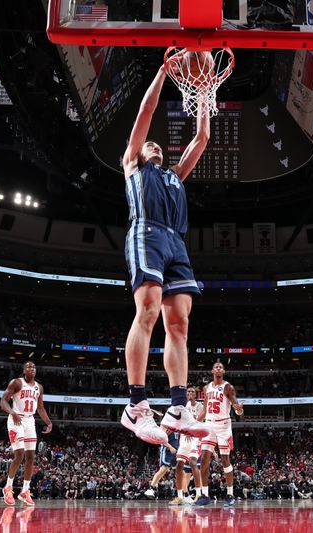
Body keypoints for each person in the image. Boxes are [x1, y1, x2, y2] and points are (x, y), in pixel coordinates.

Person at [118, 60, 212, 445]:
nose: (153, 144)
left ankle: (176, 407)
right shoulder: (133, 165)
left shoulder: (174, 175)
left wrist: (205, 89)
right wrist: (162, 70)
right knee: (149, 311)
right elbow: (146, 111)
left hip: (175, 241)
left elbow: (202, 137)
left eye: (158, 144)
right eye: (149, 143)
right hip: (146, 232)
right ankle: (136, 405)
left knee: (179, 323)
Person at [0, 361, 53, 506]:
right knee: (20, 454)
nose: (32, 369)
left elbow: (40, 408)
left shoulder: (39, 387)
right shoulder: (16, 383)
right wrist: (12, 412)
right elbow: (3, 401)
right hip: (16, 419)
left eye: (34, 367)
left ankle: (25, 490)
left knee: (31, 457)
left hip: (30, 421)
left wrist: (49, 422)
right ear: (24, 370)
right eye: (29, 367)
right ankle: (8, 487)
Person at [195, 362, 243, 507]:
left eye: (220, 367)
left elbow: (237, 408)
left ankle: (230, 494)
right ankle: (204, 495)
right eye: (216, 367)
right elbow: (204, 410)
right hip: (209, 424)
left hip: (223, 425)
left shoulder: (228, 387)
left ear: (223, 371)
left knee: (225, 460)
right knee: (203, 460)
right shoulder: (206, 387)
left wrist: (239, 410)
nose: (218, 369)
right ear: (212, 371)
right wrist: (194, 425)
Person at [173, 386, 203, 504]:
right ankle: (180, 496)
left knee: (193, 462)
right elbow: (178, 423)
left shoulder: (199, 406)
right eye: (188, 391)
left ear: (196, 395)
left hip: (195, 437)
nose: (190, 393)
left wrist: (190, 429)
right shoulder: (183, 407)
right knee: (179, 465)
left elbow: (201, 419)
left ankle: (199, 495)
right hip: (184, 438)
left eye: (192, 392)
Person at [145, 427, 179, 500]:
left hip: (176, 451)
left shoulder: (177, 425)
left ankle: (182, 493)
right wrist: (170, 447)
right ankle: (151, 488)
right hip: (167, 450)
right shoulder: (166, 425)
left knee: (179, 471)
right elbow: (161, 440)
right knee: (163, 469)